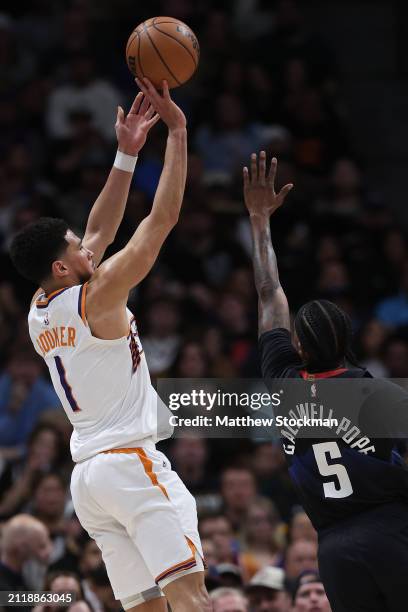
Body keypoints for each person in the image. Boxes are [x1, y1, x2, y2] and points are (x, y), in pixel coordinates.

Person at [10, 79, 209, 612]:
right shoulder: (97, 297)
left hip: (90, 483)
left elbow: (99, 227)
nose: (87, 245)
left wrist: (126, 153)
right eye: (76, 247)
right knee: (190, 596)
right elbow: (160, 222)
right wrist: (179, 131)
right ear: (62, 265)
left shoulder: (40, 306)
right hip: (129, 463)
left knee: (144, 609)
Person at [244, 151, 408, 612]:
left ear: (298, 347)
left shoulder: (283, 379)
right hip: (391, 530)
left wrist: (259, 221)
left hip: (333, 549)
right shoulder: (377, 392)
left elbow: (268, 291)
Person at [0, 514, 52, 592]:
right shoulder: (4, 586)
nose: (48, 553)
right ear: (22, 547)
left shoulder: (22, 579)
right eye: (41, 547)